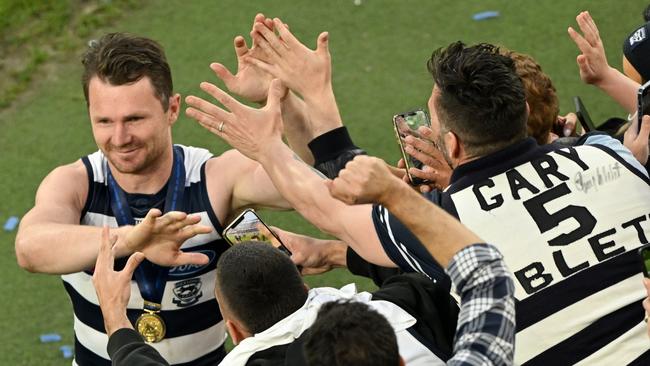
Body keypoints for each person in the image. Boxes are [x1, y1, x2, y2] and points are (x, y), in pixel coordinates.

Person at [185, 18, 650, 364]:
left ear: (451, 141)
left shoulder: (447, 223)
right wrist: (298, 99)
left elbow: (329, 203)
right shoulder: (608, 154)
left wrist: (267, 146)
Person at [14, 29, 293, 365]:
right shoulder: (76, 183)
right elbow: (29, 248)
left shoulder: (214, 179)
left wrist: (287, 101)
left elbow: (323, 187)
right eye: (104, 121)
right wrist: (133, 239)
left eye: (134, 119)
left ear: (172, 109)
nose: (119, 137)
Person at [95, 155, 516, 365]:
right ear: (401, 360)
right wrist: (338, 250)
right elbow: (483, 272)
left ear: (235, 331)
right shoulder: (402, 311)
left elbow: (478, 273)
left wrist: (114, 317)